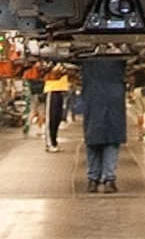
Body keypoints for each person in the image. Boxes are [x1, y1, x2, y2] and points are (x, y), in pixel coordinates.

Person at [79, 52, 127, 193]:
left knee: (93, 140)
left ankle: (93, 180)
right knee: (112, 141)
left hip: (93, 96)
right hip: (114, 96)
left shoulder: (87, 57)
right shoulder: (119, 57)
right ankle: (109, 180)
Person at [44, 65, 72, 149]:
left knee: (57, 119)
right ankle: (50, 143)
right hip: (52, 90)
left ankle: (54, 142)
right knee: (51, 119)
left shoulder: (64, 65)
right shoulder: (52, 64)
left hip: (60, 91)